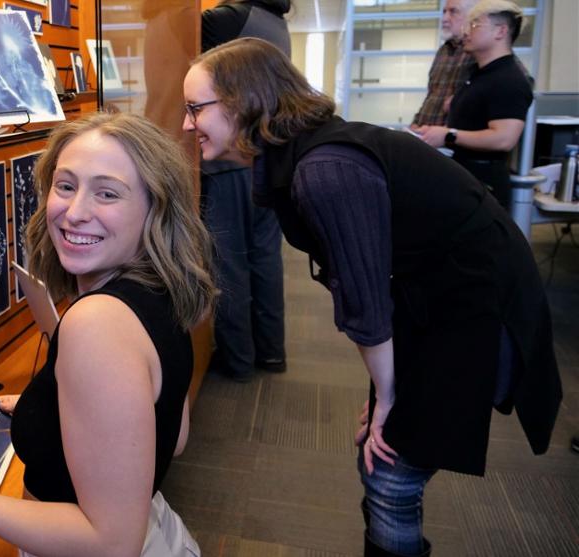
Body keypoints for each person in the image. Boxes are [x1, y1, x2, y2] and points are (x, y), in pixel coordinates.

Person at [184, 38, 561, 556]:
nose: (187, 125)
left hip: (475, 305)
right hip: (437, 297)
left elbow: (364, 303)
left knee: (391, 473)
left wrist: (386, 396)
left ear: (243, 99)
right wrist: (385, 389)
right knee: (386, 460)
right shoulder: (309, 153)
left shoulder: (323, 171)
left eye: (194, 108)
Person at [0, 112, 218, 557]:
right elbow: (173, 435)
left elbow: (111, 543)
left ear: (155, 209)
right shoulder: (159, 291)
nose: (75, 211)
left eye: (107, 194)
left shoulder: (97, 322)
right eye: (65, 186)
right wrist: (52, 405)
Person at [199, 0, 291, 381]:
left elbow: (171, 22)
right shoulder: (276, 22)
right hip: (265, 156)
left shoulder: (229, 17)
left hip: (228, 161)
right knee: (265, 257)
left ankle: (237, 359)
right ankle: (271, 352)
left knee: (229, 263)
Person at [417, 0, 532, 210]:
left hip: (483, 183)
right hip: (463, 175)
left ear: (501, 31)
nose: (467, 31)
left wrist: (448, 135)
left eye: (475, 25)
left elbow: (504, 138)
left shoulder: (509, 79)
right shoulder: (479, 75)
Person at [409, 0, 479, 129]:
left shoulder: (480, 52)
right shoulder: (444, 51)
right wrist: (416, 123)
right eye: (444, 12)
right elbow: (432, 95)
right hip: (426, 137)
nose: (444, 19)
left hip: (453, 142)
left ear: (473, 17)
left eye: (453, 12)